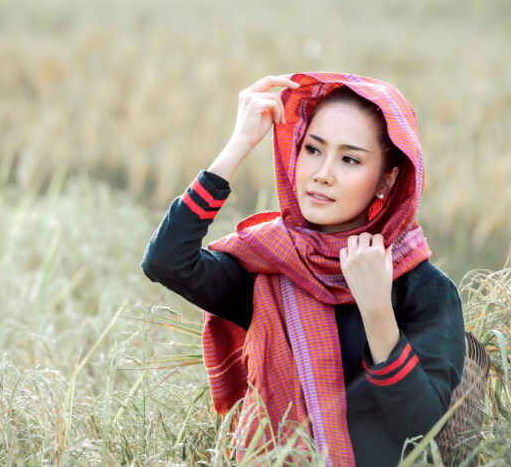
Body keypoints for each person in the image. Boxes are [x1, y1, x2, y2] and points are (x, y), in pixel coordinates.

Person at [141, 72, 465, 466]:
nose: (322, 173)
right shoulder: (270, 268)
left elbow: (423, 430)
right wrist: (237, 145)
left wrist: (378, 312)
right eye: (312, 149)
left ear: (388, 178)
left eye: (349, 159)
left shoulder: (424, 288)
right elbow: (166, 261)